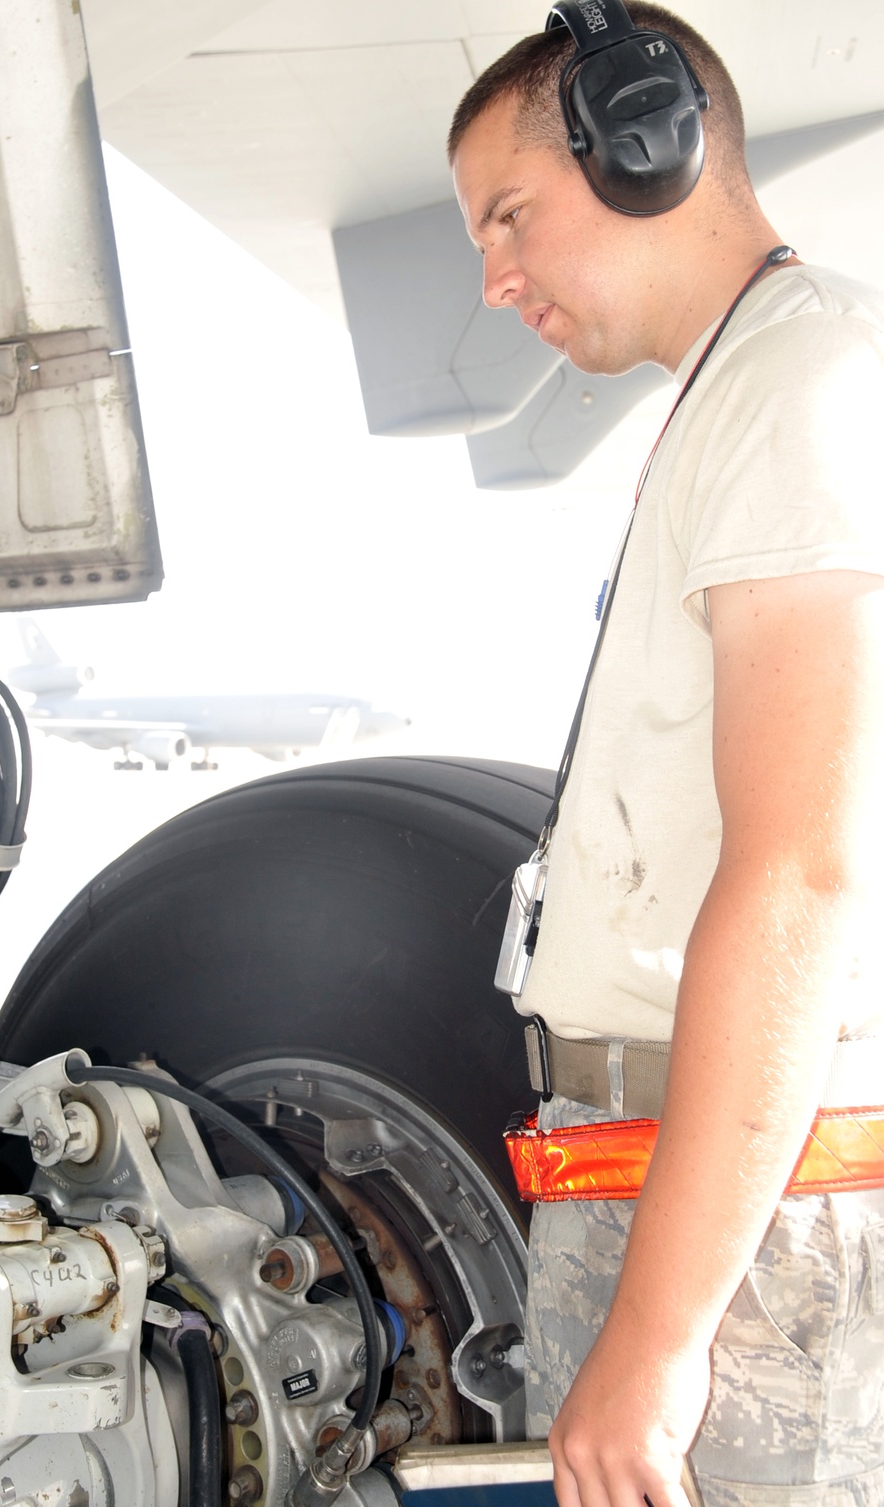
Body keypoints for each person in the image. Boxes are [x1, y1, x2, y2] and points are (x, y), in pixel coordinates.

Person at [447, 5, 884, 1505]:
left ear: (647, 146)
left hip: (745, 1247)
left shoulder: (800, 384)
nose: (496, 281)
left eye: (511, 217)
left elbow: (802, 872)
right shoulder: (742, 393)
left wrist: (664, 1333)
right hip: (672, 1192)